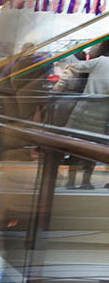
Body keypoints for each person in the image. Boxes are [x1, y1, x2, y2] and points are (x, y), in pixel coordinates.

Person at [58, 41, 109, 190]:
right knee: (94, 151)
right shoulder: (102, 61)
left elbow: (73, 67)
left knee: (75, 149)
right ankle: (86, 181)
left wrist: (59, 87)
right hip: (100, 119)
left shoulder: (100, 61)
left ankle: (71, 181)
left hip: (81, 114)